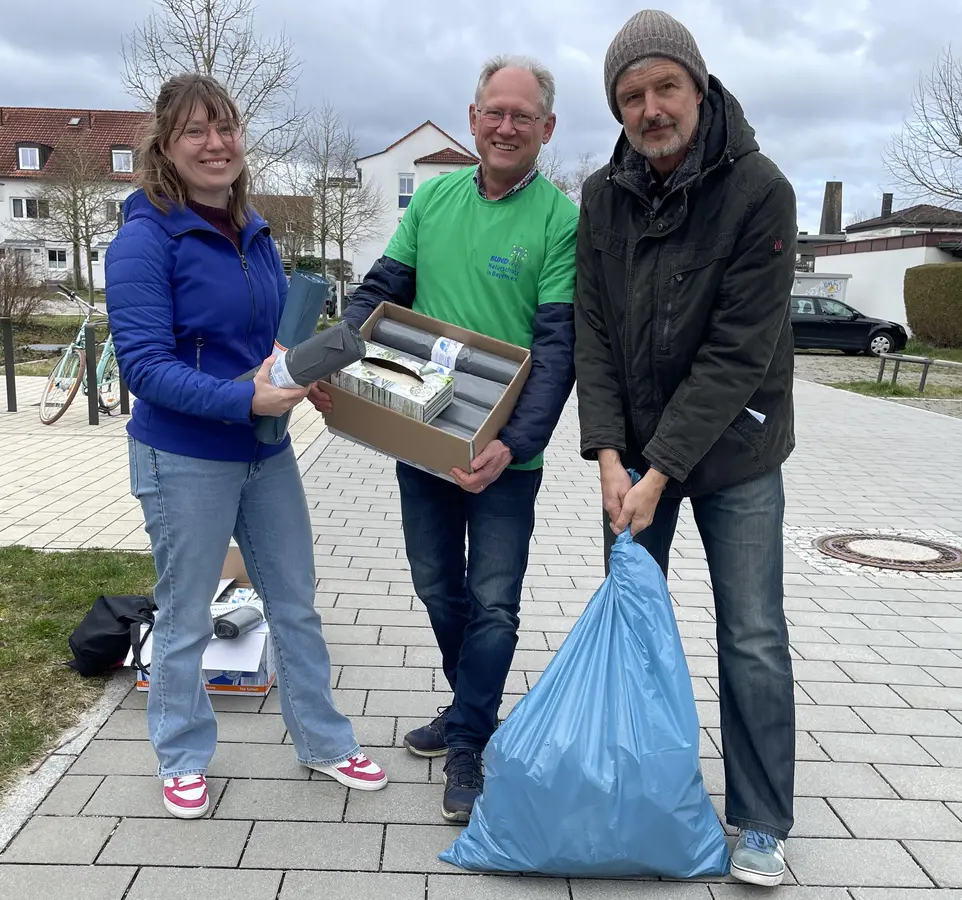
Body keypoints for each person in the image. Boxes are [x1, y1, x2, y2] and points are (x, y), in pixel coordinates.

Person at [105, 72, 388, 820]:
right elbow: (144, 368)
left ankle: (323, 740)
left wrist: (300, 376)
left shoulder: (252, 230)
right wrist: (244, 398)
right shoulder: (144, 240)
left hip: (265, 451)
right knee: (187, 614)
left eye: (226, 127)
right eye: (196, 131)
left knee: (295, 602)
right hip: (184, 456)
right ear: (166, 146)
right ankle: (180, 754)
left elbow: (266, 344)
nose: (216, 143)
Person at [308, 54, 578, 823]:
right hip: (421, 435)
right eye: (495, 112)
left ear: (546, 129)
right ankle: (472, 710)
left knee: (494, 603)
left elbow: (558, 345)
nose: (506, 127)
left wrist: (512, 443)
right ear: (473, 118)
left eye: (522, 116)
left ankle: (466, 743)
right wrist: (323, 364)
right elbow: (379, 292)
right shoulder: (432, 200)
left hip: (505, 456)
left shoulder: (560, 220)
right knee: (435, 585)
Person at [572, 10, 799, 887]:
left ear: (698, 89)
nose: (651, 109)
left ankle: (761, 820)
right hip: (633, 453)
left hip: (737, 449)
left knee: (751, 633)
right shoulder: (603, 193)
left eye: (665, 87)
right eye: (631, 96)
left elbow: (738, 352)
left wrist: (659, 472)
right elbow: (594, 331)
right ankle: (638, 791)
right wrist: (608, 455)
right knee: (633, 620)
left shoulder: (760, 189)